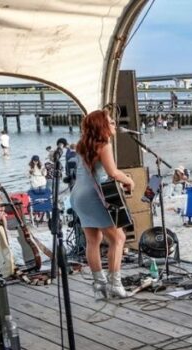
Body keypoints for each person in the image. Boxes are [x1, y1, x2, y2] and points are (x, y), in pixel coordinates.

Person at [69, 110, 135, 299]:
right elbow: (112, 172)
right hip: (93, 196)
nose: (114, 124)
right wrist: (129, 181)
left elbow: (97, 172)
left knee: (93, 240)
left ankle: (99, 283)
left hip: (78, 195)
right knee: (118, 239)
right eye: (111, 122)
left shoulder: (83, 145)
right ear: (102, 126)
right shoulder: (104, 145)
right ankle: (115, 284)